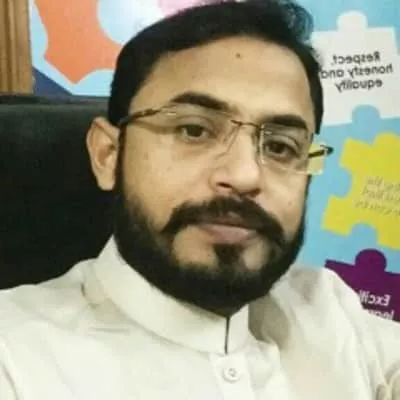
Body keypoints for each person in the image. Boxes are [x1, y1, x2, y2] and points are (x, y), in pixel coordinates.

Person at [1, 0, 399, 398]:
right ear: (108, 155)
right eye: (194, 130)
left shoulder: (330, 313)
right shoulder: (16, 356)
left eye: (280, 147)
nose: (244, 176)